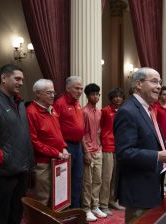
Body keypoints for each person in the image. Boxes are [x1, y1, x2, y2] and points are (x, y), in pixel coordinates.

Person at [113, 67, 166, 223]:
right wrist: (158, 156)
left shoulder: (148, 109)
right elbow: (124, 153)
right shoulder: (128, 111)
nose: (159, 86)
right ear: (138, 84)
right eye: (154, 81)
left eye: (160, 82)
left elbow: (149, 143)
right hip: (138, 190)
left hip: (152, 185)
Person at [0, 64, 34, 224]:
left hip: (21, 169)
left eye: (22, 79)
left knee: (16, 212)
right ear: (4, 78)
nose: (21, 83)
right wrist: (1, 157)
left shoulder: (20, 103)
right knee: (0, 215)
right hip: (3, 172)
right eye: (17, 78)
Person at [27, 79, 69, 206]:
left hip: (57, 159)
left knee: (57, 198)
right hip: (42, 163)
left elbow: (58, 132)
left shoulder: (52, 109)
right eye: (48, 93)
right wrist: (57, 153)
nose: (52, 95)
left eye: (53, 92)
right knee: (42, 198)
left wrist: (64, 147)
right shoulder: (31, 112)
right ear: (38, 94)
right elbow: (33, 141)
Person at [53, 76, 85, 208]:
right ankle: (64, 212)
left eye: (81, 88)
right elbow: (55, 128)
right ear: (67, 88)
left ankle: (76, 210)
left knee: (77, 179)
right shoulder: (59, 103)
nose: (80, 91)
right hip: (66, 146)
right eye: (77, 88)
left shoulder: (77, 103)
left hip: (78, 146)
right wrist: (62, 146)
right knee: (64, 181)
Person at [82, 83, 107, 221]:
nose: (96, 96)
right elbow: (81, 134)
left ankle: (95, 205)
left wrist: (100, 147)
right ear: (87, 96)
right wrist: (86, 152)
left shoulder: (99, 112)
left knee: (98, 180)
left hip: (98, 150)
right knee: (87, 182)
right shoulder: (83, 112)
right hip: (89, 151)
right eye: (93, 94)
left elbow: (98, 131)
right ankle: (86, 209)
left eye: (97, 94)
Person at [99, 88, 126, 216]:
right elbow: (99, 129)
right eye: (115, 96)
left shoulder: (122, 111)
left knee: (116, 177)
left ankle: (113, 200)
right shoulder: (104, 111)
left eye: (120, 96)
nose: (118, 99)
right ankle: (103, 204)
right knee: (106, 178)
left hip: (119, 147)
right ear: (111, 98)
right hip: (107, 147)